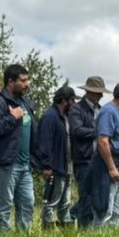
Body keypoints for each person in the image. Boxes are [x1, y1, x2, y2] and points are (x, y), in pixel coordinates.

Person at [0, 64, 37, 232]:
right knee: (4, 205)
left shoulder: (25, 103)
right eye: (23, 80)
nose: (27, 83)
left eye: (27, 79)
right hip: (6, 164)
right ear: (10, 81)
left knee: (28, 203)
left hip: (25, 165)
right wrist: (12, 118)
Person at [87, 81, 119, 228]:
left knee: (115, 212)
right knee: (104, 210)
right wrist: (111, 167)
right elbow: (103, 141)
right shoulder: (108, 111)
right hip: (107, 166)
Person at [69, 76, 108, 228]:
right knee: (85, 197)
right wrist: (99, 132)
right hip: (84, 160)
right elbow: (77, 130)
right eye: (98, 93)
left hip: (99, 159)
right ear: (89, 92)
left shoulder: (101, 109)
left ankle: (94, 228)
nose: (101, 95)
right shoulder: (77, 109)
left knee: (98, 197)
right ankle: (84, 230)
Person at [38, 86, 75, 229]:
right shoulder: (49, 117)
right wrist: (46, 166)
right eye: (72, 100)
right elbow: (44, 143)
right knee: (51, 202)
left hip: (66, 167)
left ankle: (66, 229)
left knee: (65, 202)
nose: (73, 104)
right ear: (64, 100)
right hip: (55, 167)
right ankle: (47, 230)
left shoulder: (64, 118)